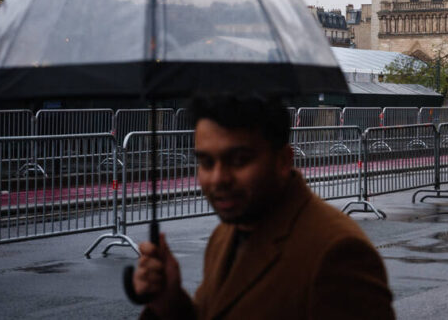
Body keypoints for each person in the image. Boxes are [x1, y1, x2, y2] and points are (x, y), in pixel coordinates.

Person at [132, 94, 395, 319]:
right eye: (207, 162)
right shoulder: (224, 235)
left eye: (239, 160)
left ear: (283, 160)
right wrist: (169, 303)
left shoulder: (338, 253)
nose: (218, 179)